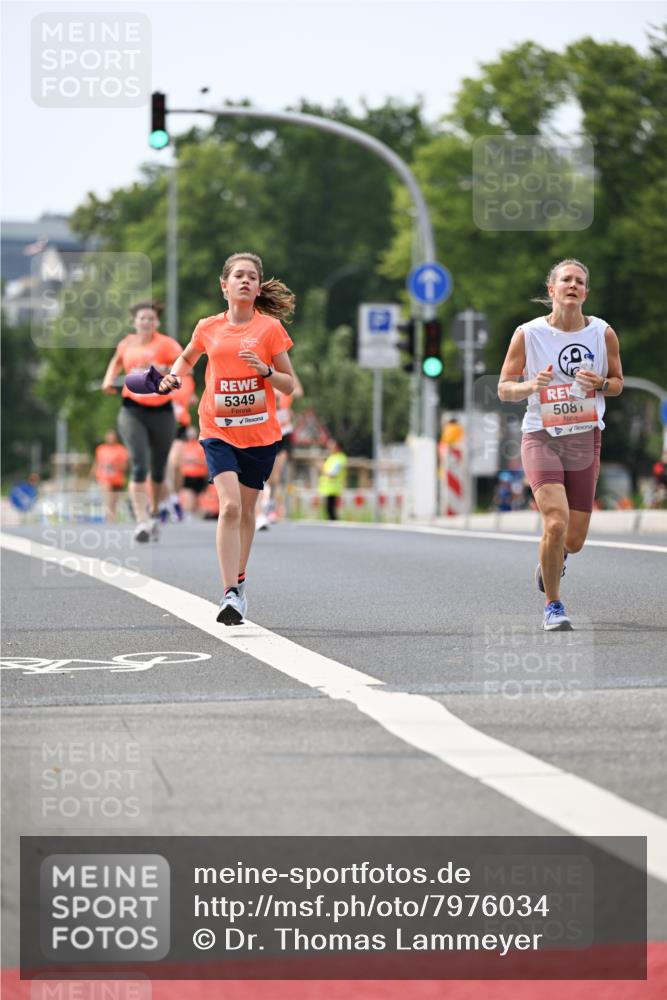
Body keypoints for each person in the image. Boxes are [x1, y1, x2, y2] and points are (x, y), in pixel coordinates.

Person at [158, 252, 297, 625]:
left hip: (260, 434)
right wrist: (174, 376)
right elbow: (187, 360)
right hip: (217, 430)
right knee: (230, 507)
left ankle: (240, 580)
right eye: (238, 275)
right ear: (225, 286)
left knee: (248, 512)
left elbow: (290, 384)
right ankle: (229, 594)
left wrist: (266, 370)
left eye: (252, 276)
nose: (245, 281)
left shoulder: (270, 330)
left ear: (257, 286)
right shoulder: (208, 328)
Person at [498, 258, 623, 631]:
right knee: (555, 521)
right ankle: (553, 605)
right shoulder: (529, 334)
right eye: (565, 280)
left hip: (585, 437)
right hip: (542, 435)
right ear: (551, 290)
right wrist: (530, 386)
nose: (573, 285)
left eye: (579, 281)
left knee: (575, 538)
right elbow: (505, 388)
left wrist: (599, 383)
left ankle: (555, 558)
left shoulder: (602, 334)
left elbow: (617, 383)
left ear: (586, 292)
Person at [101, 301, 182, 542]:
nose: (146, 322)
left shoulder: (167, 345)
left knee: (158, 469)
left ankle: (155, 512)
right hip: (132, 411)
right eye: (142, 318)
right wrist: (109, 379)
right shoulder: (127, 344)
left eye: (150, 318)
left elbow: (183, 364)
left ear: (157, 322)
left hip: (162, 412)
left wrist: (171, 374)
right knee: (139, 464)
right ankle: (141, 522)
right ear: (135, 322)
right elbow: (116, 361)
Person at [255, 375, 304, 530]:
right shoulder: (265, 378)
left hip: (284, 434)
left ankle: (270, 505)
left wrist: (291, 374)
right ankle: (263, 505)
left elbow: (298, 391)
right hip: (268, 433)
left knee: (275, 476)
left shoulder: (285, 380)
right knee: (267, 475)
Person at [90, 429, 129, 521]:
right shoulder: (101, 449)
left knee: (113, 502)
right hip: (104, 478)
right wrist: (93, 471)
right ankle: (109, 517)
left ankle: (111, 518)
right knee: (108, 496)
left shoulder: (121, 449)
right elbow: (97, 462)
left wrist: (114, 464)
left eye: (113, 436)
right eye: (109, 436)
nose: (111, 438)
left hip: (117, 480)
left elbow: (125, 466)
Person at [179, 424, 209, 515]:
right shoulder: (183, 446)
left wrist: (195, 460)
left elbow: (206, 461)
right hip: (187, 475)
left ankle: (195, 514)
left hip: (199, 476)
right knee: (188, 495)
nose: (191, 435)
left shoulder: (200, 445)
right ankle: (188, 514)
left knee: (198, 498)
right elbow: (178, 460)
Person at [318, 439, 348, 520]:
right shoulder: (332, 457)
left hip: (333, 488)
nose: (330, 447)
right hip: (328, 488)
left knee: (331, 510)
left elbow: (332, 474)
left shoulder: (340, 459)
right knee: (329, 509)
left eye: (332, 445)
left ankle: (335, 525)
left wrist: (322, 468)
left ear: (337, 447)